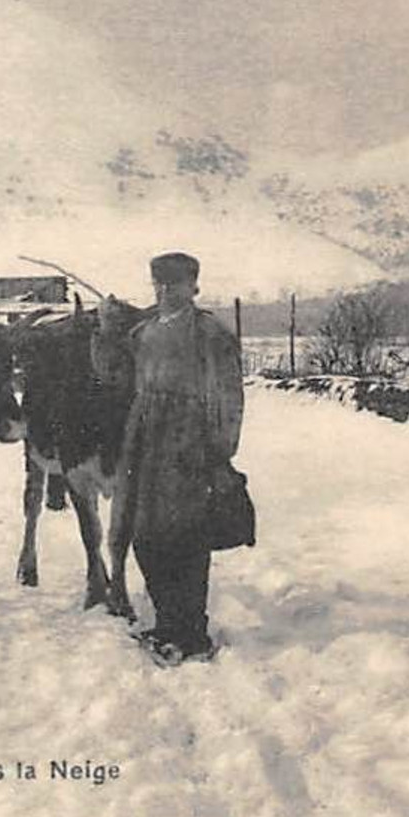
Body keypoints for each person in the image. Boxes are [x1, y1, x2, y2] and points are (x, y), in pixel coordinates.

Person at [116, 251, 244, 666]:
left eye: (175, 284)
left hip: (190, 446)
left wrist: (218, 451)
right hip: (145, 443)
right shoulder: (143, 333)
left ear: (194, 287)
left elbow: (229, 398)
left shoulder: (211, 334)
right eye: (160, 284)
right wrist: (103, 332)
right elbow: (114, 376)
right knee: (145, 536)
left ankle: (192, 634)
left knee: (186, 539)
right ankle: (168, 623)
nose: (166, 291)